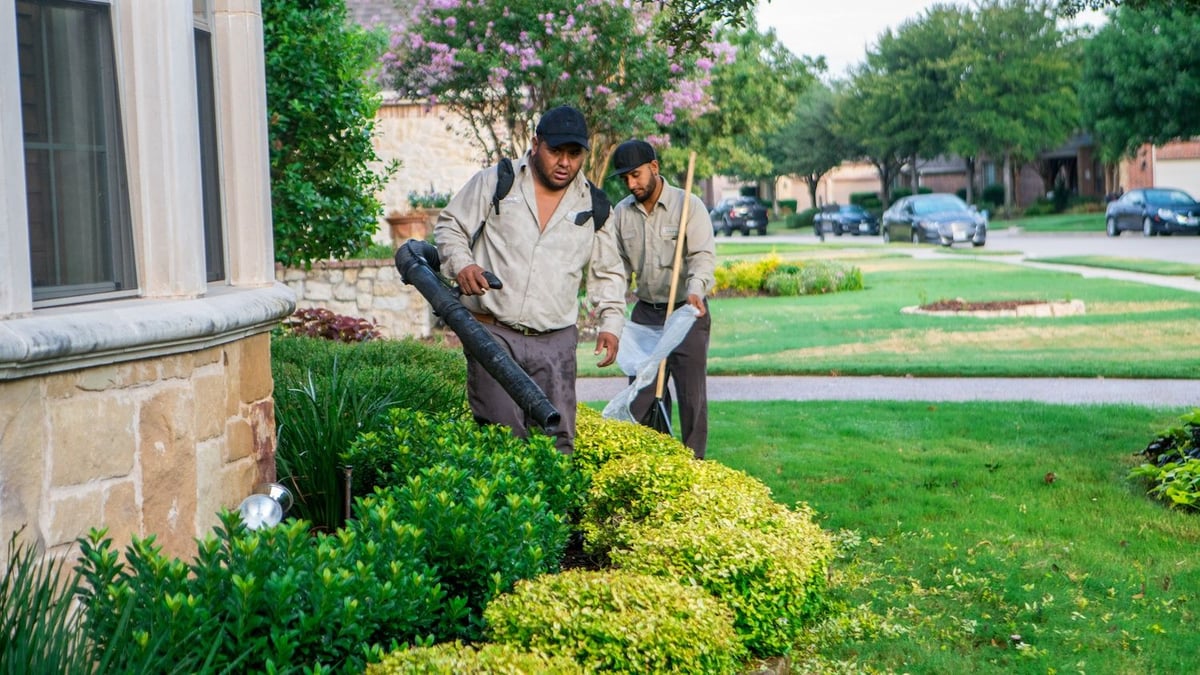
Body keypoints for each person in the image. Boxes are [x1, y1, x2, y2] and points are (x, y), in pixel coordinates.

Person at [433, 105, 626, 454]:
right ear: (536, 144)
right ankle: (502, 510)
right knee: (501, 438)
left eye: (574, 154)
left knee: (558, 439)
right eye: (556, 151)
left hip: (555, 341)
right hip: (493, 332)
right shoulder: (497, 181)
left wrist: (611, 322)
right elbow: (450, 226)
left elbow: (608, 271)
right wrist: (462, 265)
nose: (565, 162)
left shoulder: (596, 206)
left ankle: (555, 510)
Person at [609, 139, 716, 459]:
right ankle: (658, 462)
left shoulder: (689, 206)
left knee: (691, 398)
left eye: (637, 175)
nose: (631, 184)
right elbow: (617, 268)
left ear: (654, 168)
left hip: (687, 312)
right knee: (644, 392)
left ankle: (695, 467)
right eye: (625, 178)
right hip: (646, 314)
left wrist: (696, 289)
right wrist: (610, 307)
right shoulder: (621, 213)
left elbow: (702, 257)